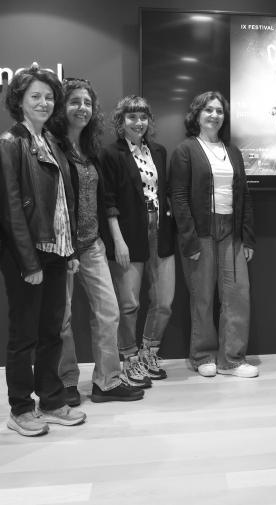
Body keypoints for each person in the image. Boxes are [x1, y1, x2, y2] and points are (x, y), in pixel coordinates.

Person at [0, 64, 86, 437]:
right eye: (35, 96)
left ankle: (50, 400)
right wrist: (28, 262)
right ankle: (19, 408)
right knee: (24, 336)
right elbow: (11, 210)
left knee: (51, 332)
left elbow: (64, 202)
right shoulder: (9, 143)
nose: (44, 102)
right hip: (26, 256)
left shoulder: (51, 141)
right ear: (20, 100)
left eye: (49, 97)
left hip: (56, 252)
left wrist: (70, 251)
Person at [52, 80, 145, 404]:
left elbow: (104, 198)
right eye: (74, 101)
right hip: (62, 247)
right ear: (62, 107)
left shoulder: (90, 148)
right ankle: (66, 382)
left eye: (87, 103)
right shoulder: (51, 145)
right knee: (62, 319)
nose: (82, 108)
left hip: (92, 244)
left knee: (109, 312)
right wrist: (65, 247)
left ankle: (107, 381)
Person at [170, 91, 257, 378]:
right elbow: (178, 198)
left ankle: (232, 360)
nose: (214, 115)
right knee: (203, 296)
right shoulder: (186, 150)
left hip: (232, 232)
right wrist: (189, 239)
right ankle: (202, 356)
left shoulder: (232, 152)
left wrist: (247, 237)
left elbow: (244, 194)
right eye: (208, 109)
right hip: (201, 233)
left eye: (219, 111)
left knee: (237, 295)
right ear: (197, 114)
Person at [100, 95, 176, 383]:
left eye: (143, 117)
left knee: (164, 301)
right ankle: (129, 359)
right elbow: (108, 201)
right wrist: (118, 241)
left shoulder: (159, 151)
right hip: (129, 234)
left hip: (160, 231)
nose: (138, 122)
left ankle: (148, 353)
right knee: (129, 304)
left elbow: (165, 192)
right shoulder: (111, 154)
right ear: (121, 122)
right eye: (132, 117)